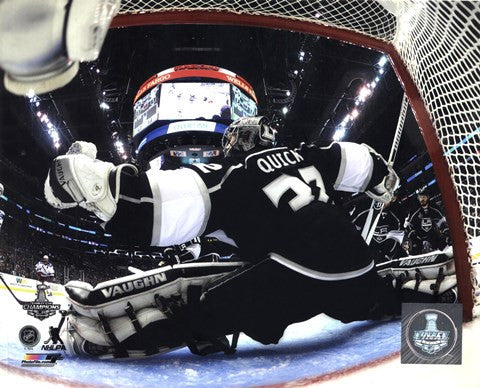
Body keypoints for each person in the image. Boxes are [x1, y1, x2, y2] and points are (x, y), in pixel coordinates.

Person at [43, 117, 456, 359]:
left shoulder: (230, 177)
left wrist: (89, 177)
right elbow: (363, 161)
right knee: (361, 300)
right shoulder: (309, 153)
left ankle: (113, 336)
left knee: (205, 308)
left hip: (299, 274)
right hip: (357, 263)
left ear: (238, 143)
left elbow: (144, 208)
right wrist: (383, 179)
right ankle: (411, 294)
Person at [403, 189, 450, 254]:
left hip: (433, 237)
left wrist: (446, 233)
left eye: (424, 197)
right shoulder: (414, 210)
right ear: (418, 198)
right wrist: (414, 237)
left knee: (446, 243)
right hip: (419, 238)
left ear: (428, 197)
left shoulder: (434, 208)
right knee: (410, 236)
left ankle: (446, 251)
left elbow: (442, 222)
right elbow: (407, 226)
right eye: (420, 197)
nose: (422, 199)